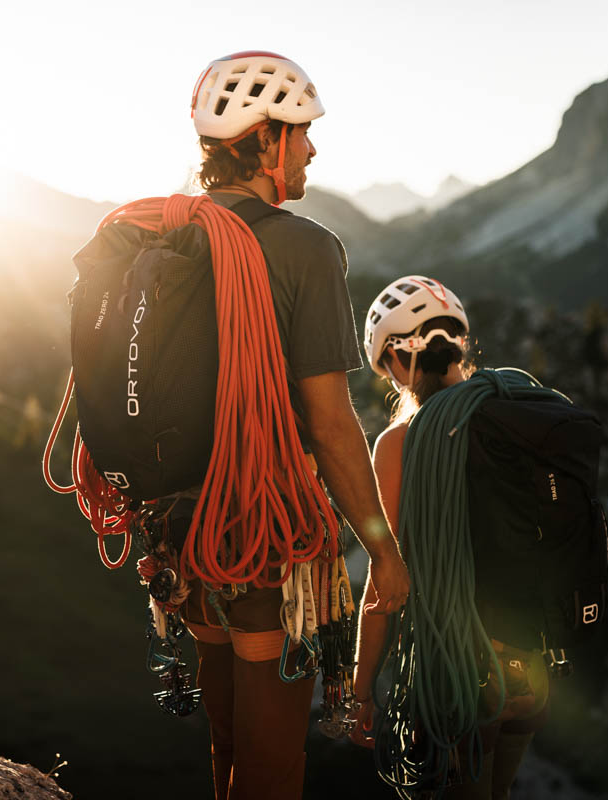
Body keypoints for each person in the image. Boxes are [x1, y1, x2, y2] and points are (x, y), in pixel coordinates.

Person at [177, 51, 410, 800]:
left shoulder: (166, 234)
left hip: (177, 534)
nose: (313, 148)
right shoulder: (304, 246)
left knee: (226, 741)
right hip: (259, 534)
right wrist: (385, 552)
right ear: (267, 140)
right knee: (272, 764)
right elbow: (332, 426)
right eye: (303, 132)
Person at [353, 275, 550, 799]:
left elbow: (384, 583)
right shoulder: (516, 413)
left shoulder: (400, 443)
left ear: (398, 359)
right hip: (531, 661)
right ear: (458, 344)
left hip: (465, 666)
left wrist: (360, 688)